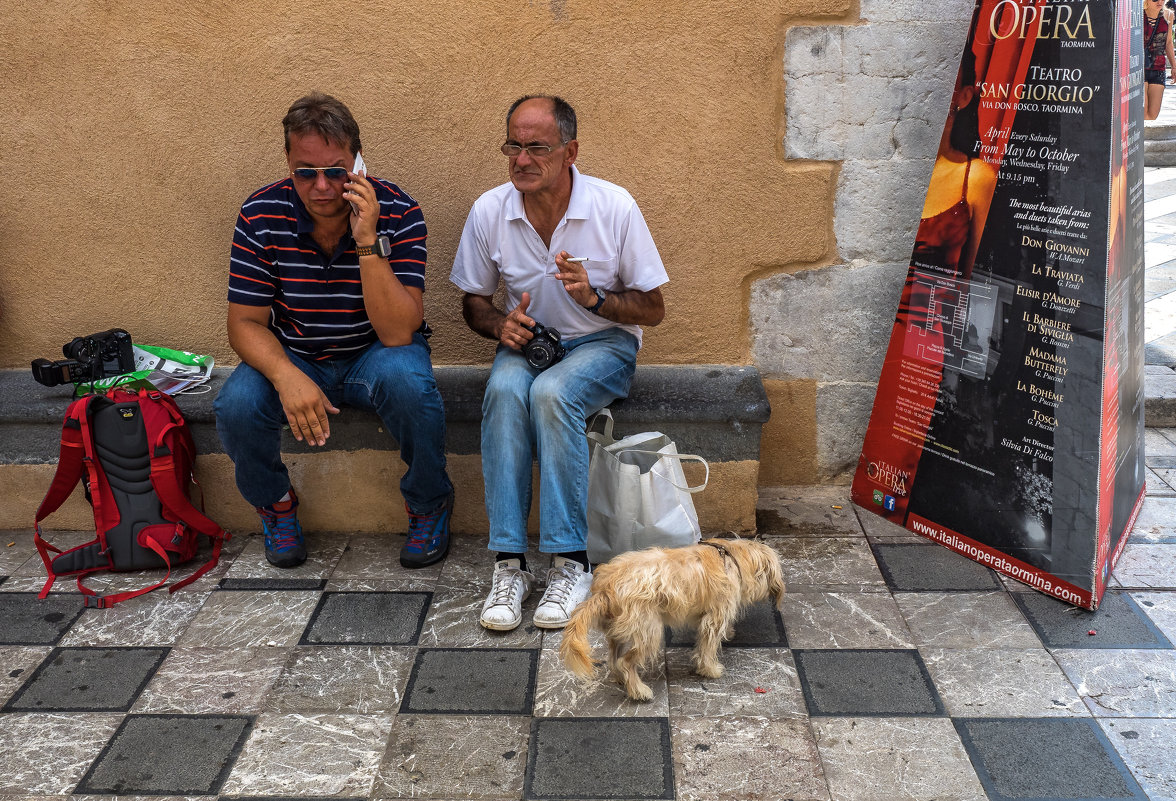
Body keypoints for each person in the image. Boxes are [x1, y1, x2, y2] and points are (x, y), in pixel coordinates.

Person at [450, 95, 668, 631]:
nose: (522, 160)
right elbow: (472, 302)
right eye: (513, 146)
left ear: (570, 151)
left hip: (604, 345)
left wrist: (596, 300)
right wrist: (500, 324)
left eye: (537, 148)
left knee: (552, 394)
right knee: (504, 392)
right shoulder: (490, 210)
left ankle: (571, 563)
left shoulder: (613, 206)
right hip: (531, 345)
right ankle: (510, 565)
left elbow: (654, 309)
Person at [214, 92, 454, 570]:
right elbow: (243, 324)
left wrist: (367, 240)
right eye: (306, 172)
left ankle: (429, 503)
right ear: (287, 162)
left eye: (336, 170)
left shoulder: (399, 210)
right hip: (298, 353)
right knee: (235, 403)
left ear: (359, 164)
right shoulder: (261, 214)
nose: (321, 186)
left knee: (412, 384)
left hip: (376, 353)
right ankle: (276, 505)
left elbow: (398, 334)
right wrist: (285, 375)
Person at [1145, 0, 1175, 120]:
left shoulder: (1168, 15)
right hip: (1139, 68)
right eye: (1155, 0)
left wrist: (1174, 66)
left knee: (1152, 115)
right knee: (1141, 111)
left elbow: (1168, 43)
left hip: (1158, 67)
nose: (1160, 2)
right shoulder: (1138, 13)